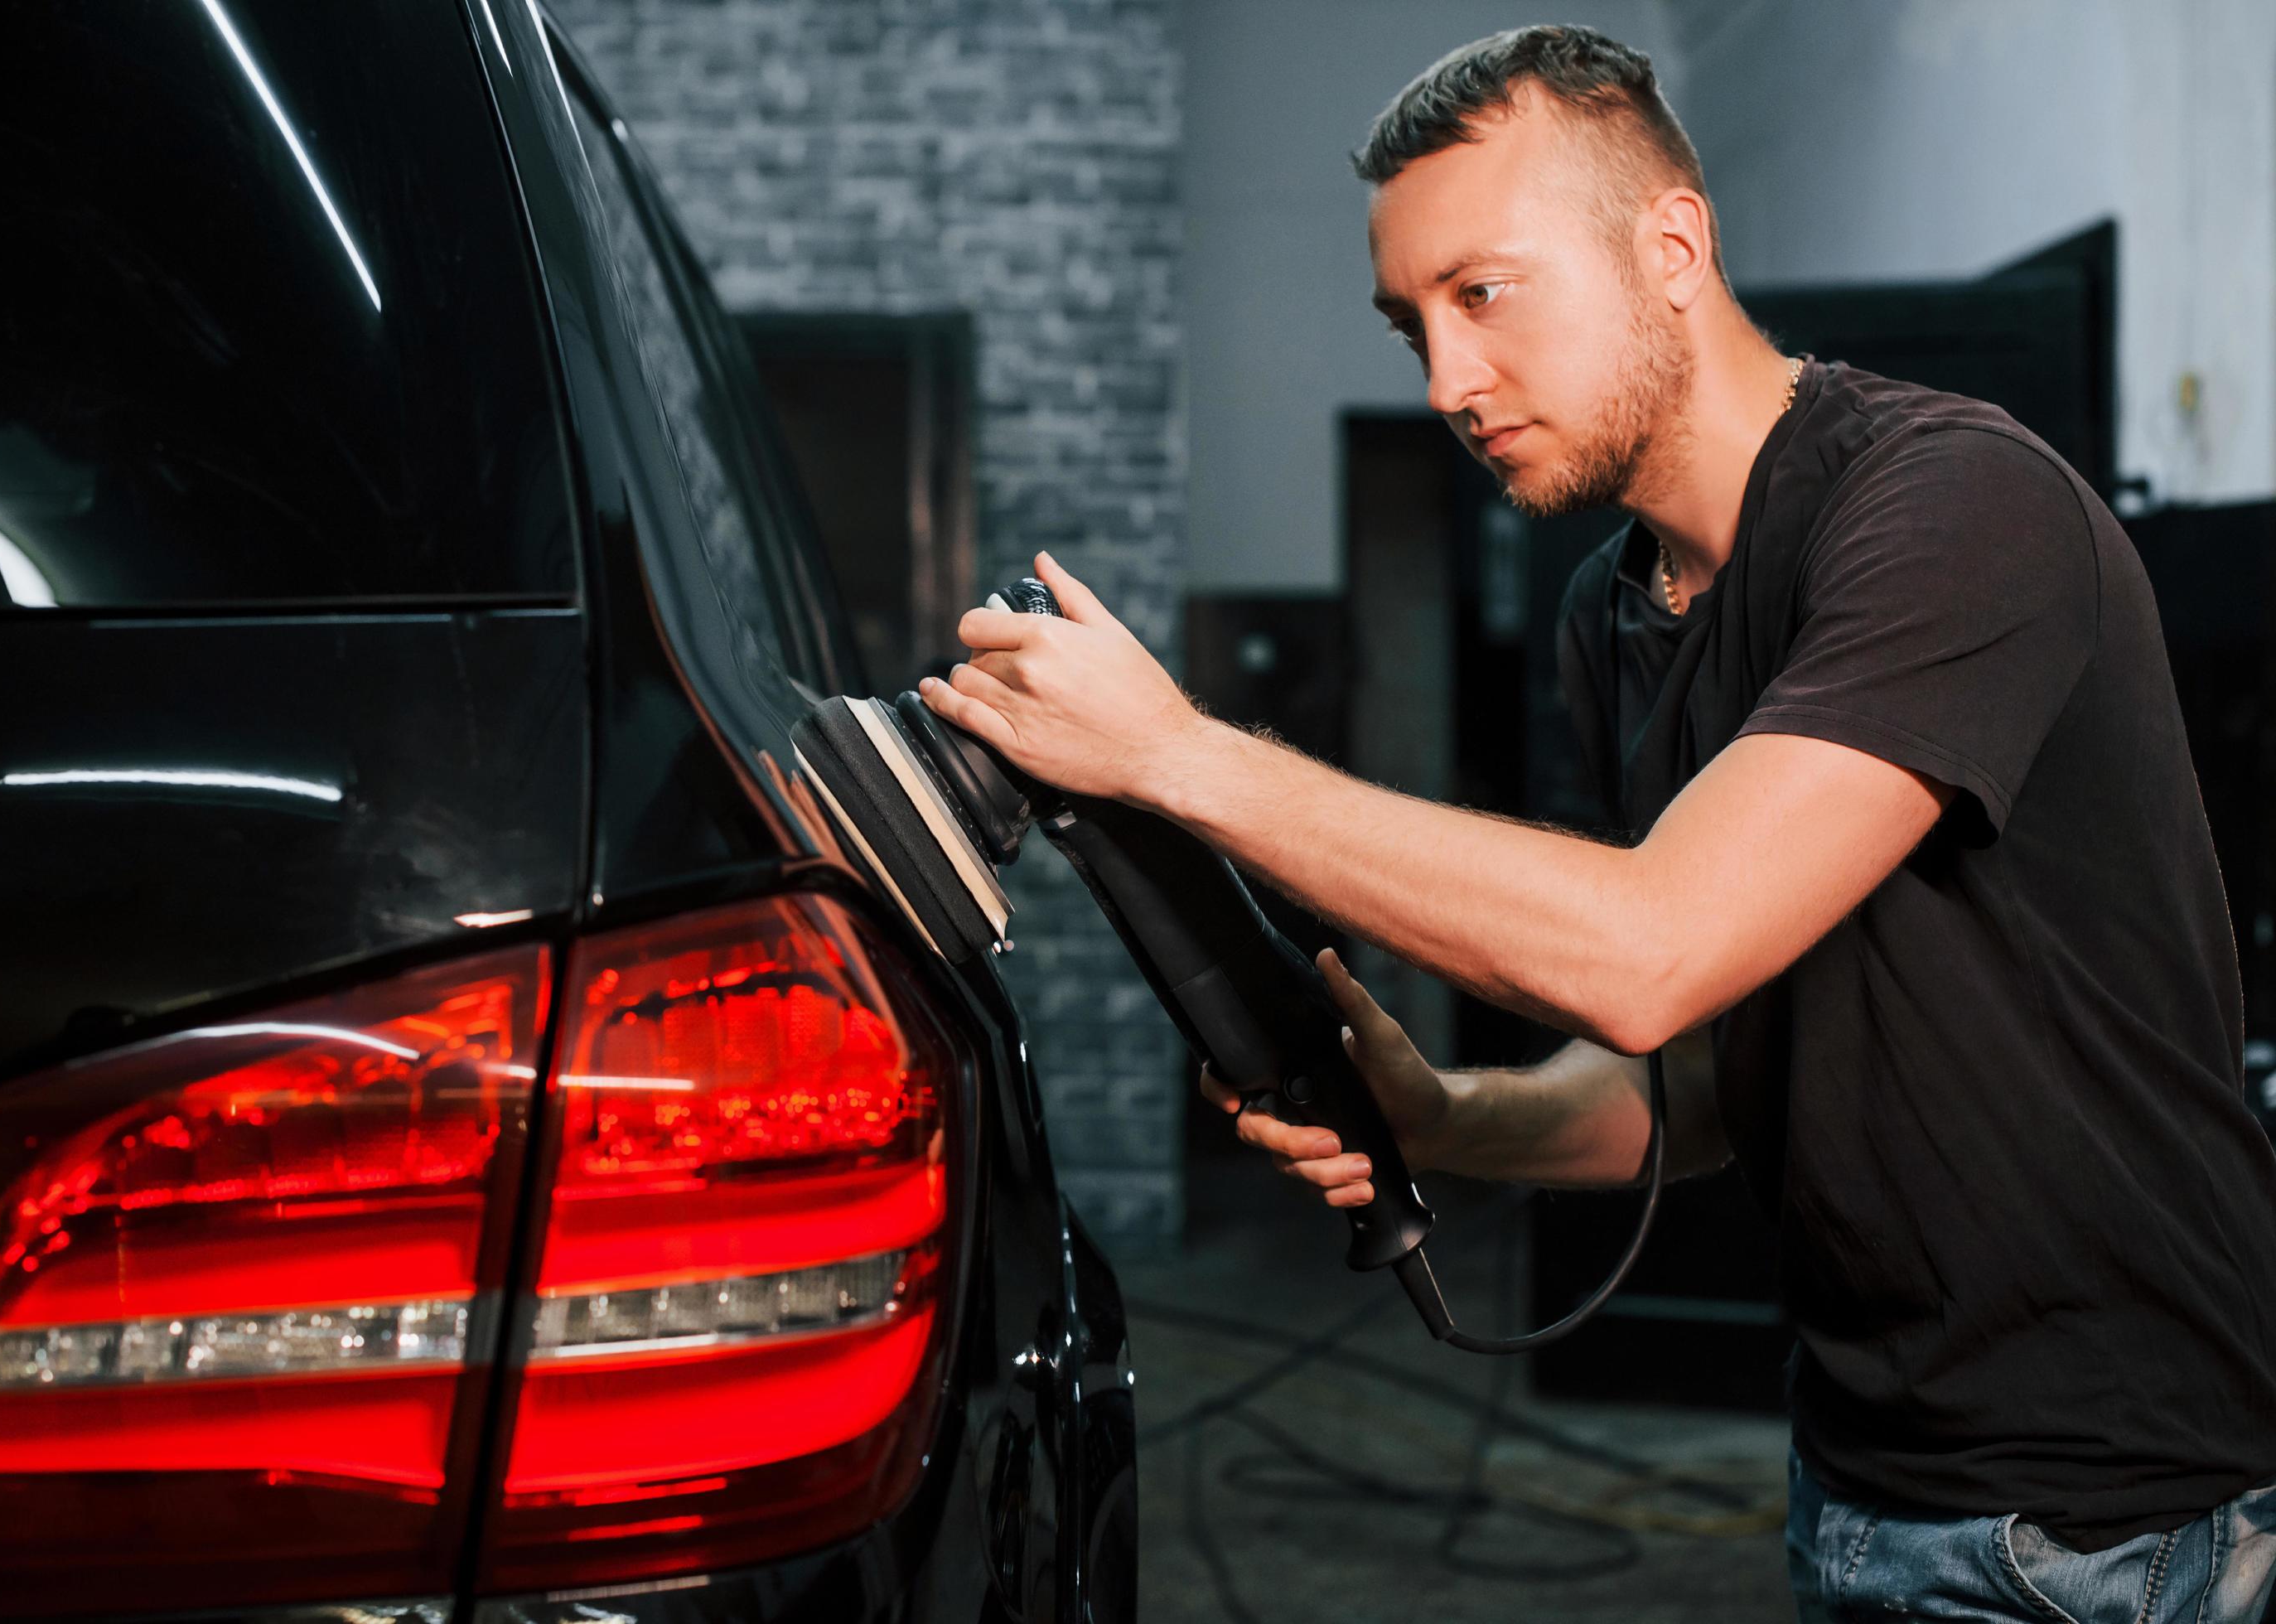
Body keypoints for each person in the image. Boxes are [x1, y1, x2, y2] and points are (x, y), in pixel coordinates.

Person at [919, 23, 2276, 1624]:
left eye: (1483, 294)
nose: (1446, 383)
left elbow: (1649, 946)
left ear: (1672, 246)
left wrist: (1173, 753)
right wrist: (1443, 1118)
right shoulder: (1611, 616)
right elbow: (1694, 1079)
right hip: (1863, 1476)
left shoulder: (1956, 507)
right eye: (1409, 323)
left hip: (2118, 1517)